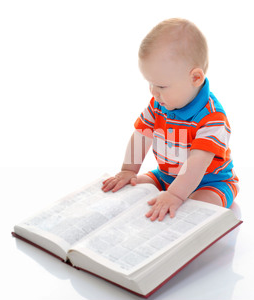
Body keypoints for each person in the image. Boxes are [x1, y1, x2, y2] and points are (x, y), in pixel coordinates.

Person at [102, 18, 239, 222]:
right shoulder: (159, 104)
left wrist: (175, 195)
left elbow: (196, 165)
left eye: (161, 86)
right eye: (150, 83)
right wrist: (128, 170)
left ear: (195, 78)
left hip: (211, 182)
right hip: (165, 176)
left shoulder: (212, 118)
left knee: (197, 206)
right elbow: (141, 136)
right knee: (131, 189)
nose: (154, 92)